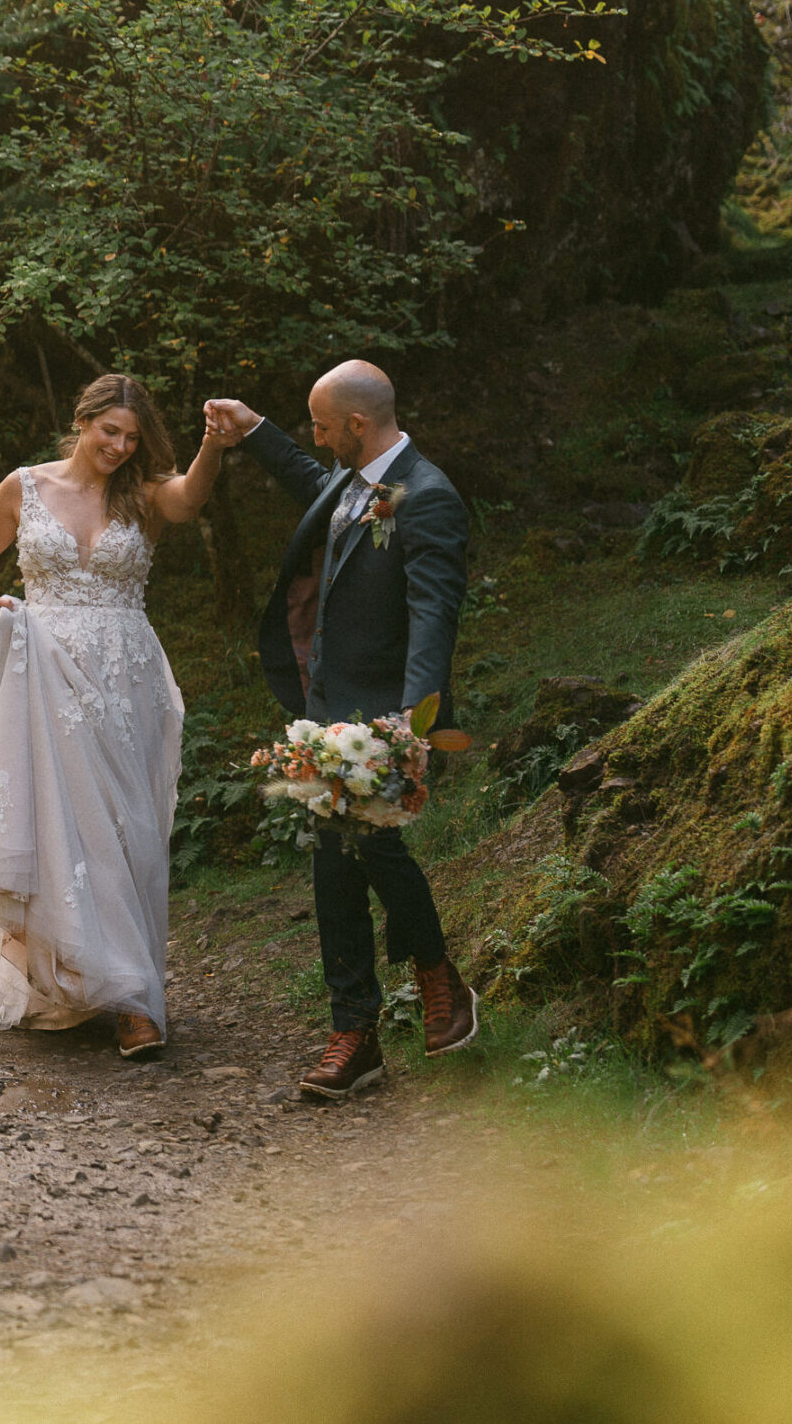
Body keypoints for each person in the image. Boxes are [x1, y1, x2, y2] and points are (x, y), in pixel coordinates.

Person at [0, 374, 229, 1059]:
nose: (120, 447)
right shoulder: (24, 486)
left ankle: (127, 985)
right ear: (82, 419)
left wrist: (212, 444)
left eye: (132, 437)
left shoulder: (145, 492)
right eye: (109, 432)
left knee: (127, 830)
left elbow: (188, 499)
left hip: (126, 678)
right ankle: (120, 1000)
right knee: (56, 825)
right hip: (44, 674)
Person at [205, 361, 480, 1101]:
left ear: (357, 425)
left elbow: (433, 613)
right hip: (325, 709)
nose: (316, 436)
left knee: (371, 850)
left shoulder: (426, 499)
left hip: (384, 718)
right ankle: (365, 1024)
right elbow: (305, 475)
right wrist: (252, 428)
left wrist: (412, 723)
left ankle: (416, 986)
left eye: (322, 424)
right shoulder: (349, 479)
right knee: (336, 862)